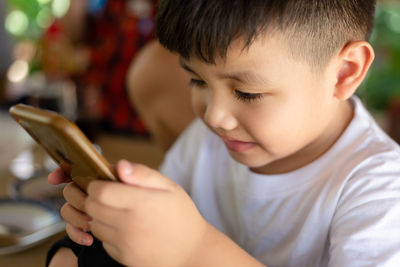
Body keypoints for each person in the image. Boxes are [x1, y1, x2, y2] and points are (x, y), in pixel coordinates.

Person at [47, 0, 400, 266]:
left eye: (247, 93)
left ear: (344, 73)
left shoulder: (379, 188)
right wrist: (114, 219)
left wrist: (194, 247)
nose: (214, 117)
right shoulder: (211, 143)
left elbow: (184, 247)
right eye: (197, 80)